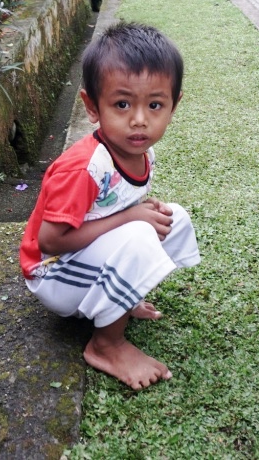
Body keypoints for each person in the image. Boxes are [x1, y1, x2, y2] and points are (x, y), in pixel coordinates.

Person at [20, 22, 201, 390]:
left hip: (83, 259)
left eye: (155, 105)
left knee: (171, 217)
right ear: (91, 106)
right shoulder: (85, 166)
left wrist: (136, 216)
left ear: (174, 104)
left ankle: (121, 299)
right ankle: (106, 344)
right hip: (53, 274)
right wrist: (130, 217)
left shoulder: (141, 151)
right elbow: (50, 241)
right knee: (138, 232)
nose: (139, 119)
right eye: (121, 104)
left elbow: (116, 215)